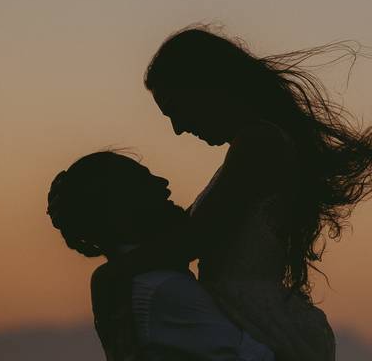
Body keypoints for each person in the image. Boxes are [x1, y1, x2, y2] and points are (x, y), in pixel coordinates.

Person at [130, 25, 372, 361]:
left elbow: (194, 238)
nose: (178, 129)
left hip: (253, 322)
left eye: (177, 109)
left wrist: (113, 273)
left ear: (206, 88)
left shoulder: (259, 144)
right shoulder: (258, 144)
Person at [47, 151, 275, 361]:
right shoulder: (163, 289)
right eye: (143, 182)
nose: (163, 184)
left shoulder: (132, 285)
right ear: (121, 212)